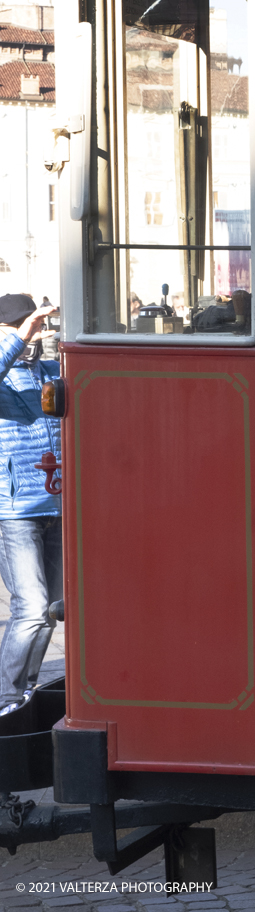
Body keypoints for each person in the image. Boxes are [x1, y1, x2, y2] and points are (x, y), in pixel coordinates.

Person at [0, 294, 62, 715]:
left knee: (51, 610)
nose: (34, 333)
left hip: (56, 507)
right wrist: (18, 339)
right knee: (32, 606)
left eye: (36, 326)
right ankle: (5, 700)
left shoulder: (49, 372)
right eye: (24, 326)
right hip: (16, 512)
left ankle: (26, 693)